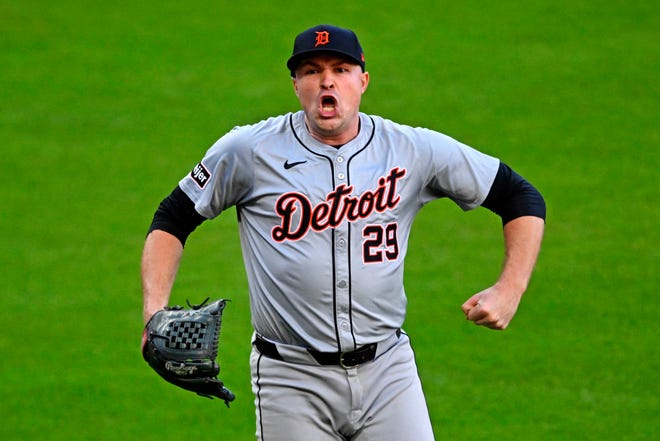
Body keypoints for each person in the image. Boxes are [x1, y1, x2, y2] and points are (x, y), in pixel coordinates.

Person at [141, 24, 545, 441]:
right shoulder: (248, 150)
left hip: (389, 373)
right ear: (296, 84)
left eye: (341, 68)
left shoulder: (410, 149)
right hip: (290, 379)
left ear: (363, 80)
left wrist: (509, 289)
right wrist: (154, 314)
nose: (327, 81)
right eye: (312, 70)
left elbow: (520, 196)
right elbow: (172, 218)